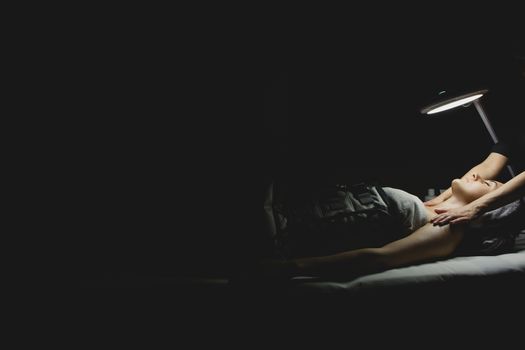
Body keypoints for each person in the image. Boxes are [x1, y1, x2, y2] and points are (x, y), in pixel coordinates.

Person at [258, 173, 519, 280]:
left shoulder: (448, 229)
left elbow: (379, 258)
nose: (476, 175)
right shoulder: (433, 207)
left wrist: (291, 269)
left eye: (487, 184)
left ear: (487, 209)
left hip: (276, 234)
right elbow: (486, 165)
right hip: (279, 207)